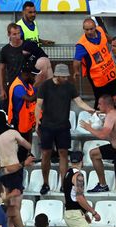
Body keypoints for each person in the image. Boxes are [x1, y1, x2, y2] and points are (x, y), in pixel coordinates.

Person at [35, 63, 95, 195]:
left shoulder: (69, 87)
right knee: (46, 154)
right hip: (47, 125)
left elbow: (79, 102)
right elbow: (38, 105)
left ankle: (63, 183)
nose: (66, 79)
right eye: (64, 77)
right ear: (57, 75)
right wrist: (37, 121)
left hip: (63, 126)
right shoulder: (45, 86)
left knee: (63, 153)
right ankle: (45, 183)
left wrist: (91, 110)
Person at [0, 110, 34, 227]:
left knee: (7, 204)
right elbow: (28, 145)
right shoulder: (12, 133)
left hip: (0, 171)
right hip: (14, 169)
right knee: (15, 207)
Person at [79, 94, 116, 201]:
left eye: (99, 104)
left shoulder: (111, 116)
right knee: (94, 154)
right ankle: (103, 185)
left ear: (106, 104)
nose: (98, 107)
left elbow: (102, 135)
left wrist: (89, 127)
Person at [73, 19, 116, 109]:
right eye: (86, 29)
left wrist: (115, 44)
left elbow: (108, 38)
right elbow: (76, 61)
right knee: (101, 98)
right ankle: (98, 117)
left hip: (111, 71)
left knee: (114, 94)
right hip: (97, 77)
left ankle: (115, 113)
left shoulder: (100, 30)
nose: (89, 31)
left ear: (95, 27)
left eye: (91, 29)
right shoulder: (82, 45)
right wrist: (76, 71)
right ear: (83, 29)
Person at [63, 151, 101, 227]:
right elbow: (79, 198)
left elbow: (71, 197)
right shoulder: (78, 176)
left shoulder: (67, 173)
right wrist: (93, 213)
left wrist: (84, 213)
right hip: (75, 216)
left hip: (70, 214)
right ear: (82, 161)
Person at [7, 62, 36, 163]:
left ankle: (27, 156)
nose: (34, 77)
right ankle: (20, 162)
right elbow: (29, 98)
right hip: (19, 120)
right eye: (33, 75)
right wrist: (40, 91)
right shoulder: (18, 86)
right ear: (26, 74)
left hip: (26, 119)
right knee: (21, 142)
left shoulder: (26, 83)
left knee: (27, 138)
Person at [0, 23, 25, 111]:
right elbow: (1, 70)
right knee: (7, 108)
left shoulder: (27, 46)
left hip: (26, 84)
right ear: (9, 35)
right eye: (14, 34)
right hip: (12, 84)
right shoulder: (5, 50)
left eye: (19, 33)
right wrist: (2, 89)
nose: (17, 36)